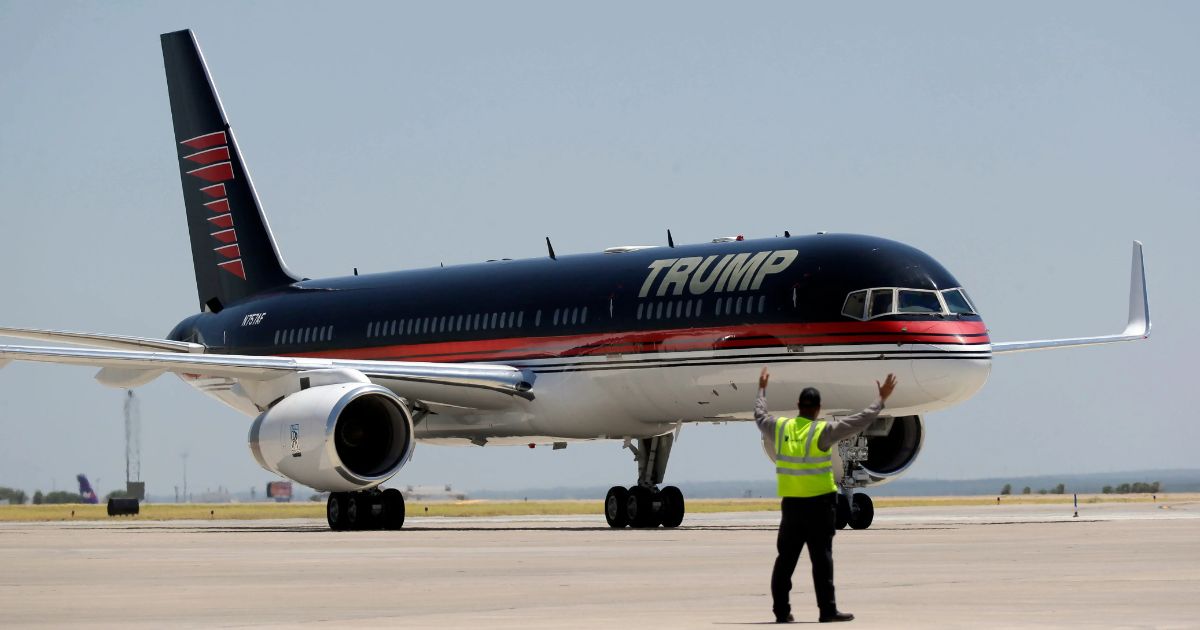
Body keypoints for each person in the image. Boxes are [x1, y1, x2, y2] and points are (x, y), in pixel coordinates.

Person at [755, 367, 898, 623]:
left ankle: (781, 612)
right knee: (822, 561)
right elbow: (859, 421)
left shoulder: (781, 429)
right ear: (818, 409)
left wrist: (762, 390)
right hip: (820, 507)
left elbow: (760, 415)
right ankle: (827, 611)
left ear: (798, 406)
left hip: (792, 507)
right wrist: (881, 400)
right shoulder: (823, 431)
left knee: (785, 561)